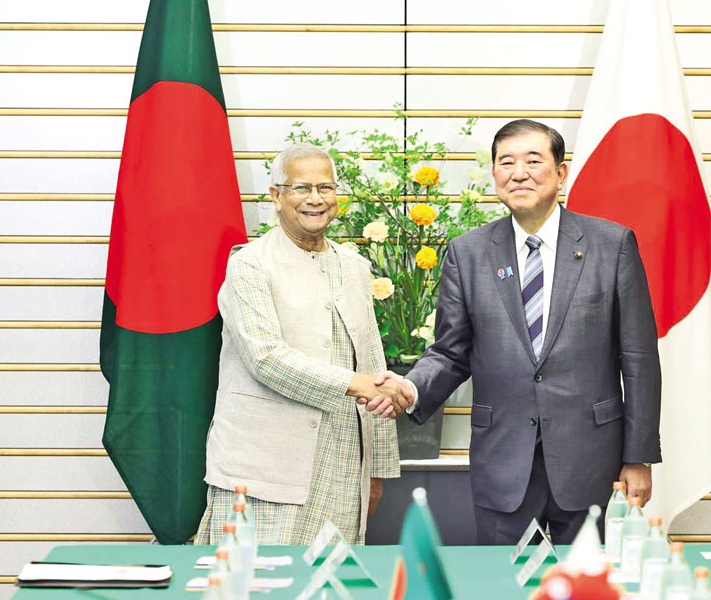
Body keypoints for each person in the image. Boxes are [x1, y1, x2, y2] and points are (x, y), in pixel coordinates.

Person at [375, 120, 661, 545]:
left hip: (592, 462)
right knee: (502, 578)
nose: (519, 173)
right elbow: (450, 352)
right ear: (494, 174)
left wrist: (638, 458)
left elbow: (639, 359)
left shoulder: (611, 245)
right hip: (503, 460)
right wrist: (411, 388)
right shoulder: (468, 253)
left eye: (533, 160)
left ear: (560, 174)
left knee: (587, 578)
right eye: (506, 162)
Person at [194, 143, 409, 545]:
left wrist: (377, 469)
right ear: (276, 196)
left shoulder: (355, 268)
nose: (315, 199)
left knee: (331, 577)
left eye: (325, 188)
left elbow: (373, 364)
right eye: (301, 188)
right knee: (254, 577)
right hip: (261, 471)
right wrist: (357, 384)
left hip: (343, 468)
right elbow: (265, 358)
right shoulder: (249, 264)